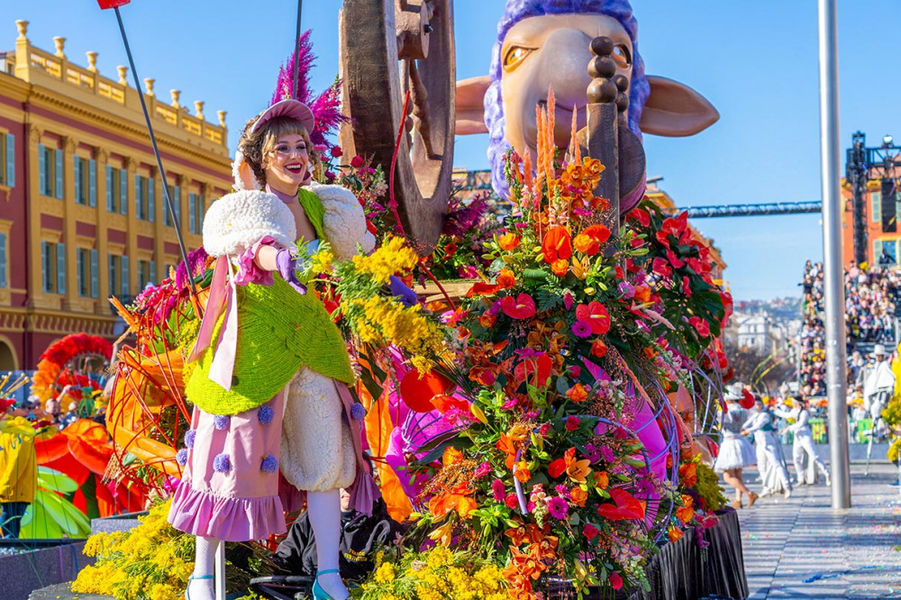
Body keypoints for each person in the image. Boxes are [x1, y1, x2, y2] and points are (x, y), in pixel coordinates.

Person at [167, 99, 376, 600]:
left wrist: (388, 281)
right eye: (280, 147)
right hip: (254, 356)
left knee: (325, 457)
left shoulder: (321, 205)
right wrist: (276, 255)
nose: (293, 154)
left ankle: (328, 575)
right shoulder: (249, 205)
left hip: (311, 347)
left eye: (300, 146)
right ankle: (202, 575)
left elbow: (361, 257)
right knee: (227, 460)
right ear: (261, 160)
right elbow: (255, 242)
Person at [713, 384, 758, 509]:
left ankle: (749, 493)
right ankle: (738, 500)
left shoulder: (726, 411)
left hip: (729, 442)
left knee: (727, 476)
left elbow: (720, 424)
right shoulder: (743, 410)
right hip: (740, 440)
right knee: (738, 473)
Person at [742, 397, 793, 499]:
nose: (756, 407)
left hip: (769, 443)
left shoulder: (765, 415)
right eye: (755, 405)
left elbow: (757, 426)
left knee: (777, 464)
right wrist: (741, 428)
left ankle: (787, 487)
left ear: (761, 405)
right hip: (760, 444)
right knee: (761, 466)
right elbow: (746, 424)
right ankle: (767, 488)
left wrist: (746, 431)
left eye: (758, 404)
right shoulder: (756, 415)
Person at [776, 397, 831, 486]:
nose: (792, 403)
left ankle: (827, 474)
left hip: (805, 435)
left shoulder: (804, 412)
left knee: (814, 456)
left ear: (798, 403)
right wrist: (776, 410)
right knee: (796, 458)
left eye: (793, 402)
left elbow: (801, 423)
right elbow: (787, 415)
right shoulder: (794, 411)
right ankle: (801, 478)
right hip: (798, 436)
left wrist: (789, 428)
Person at [0, 414, 37, 538]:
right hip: (7, 492)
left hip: (13, 492)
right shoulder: (4, 432)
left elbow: (17, 463)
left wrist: (4, 487)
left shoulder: (19, 432)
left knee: (8, 533)